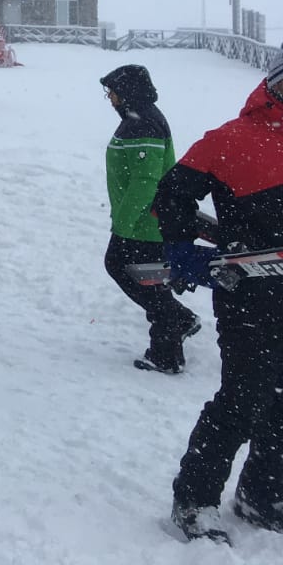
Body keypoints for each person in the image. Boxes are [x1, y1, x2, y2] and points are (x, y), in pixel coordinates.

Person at [154, 50, 283, 543]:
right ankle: (195, 500)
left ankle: (262, 495)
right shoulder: (230, 140)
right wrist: (184, 246)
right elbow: (170, 198)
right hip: (248, 293)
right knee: (244, 398)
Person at [99, 64, 200, 373]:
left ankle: (167, 352)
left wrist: (125, 225)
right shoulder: (139, 119)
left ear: (128, 91)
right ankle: (177, 323)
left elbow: (146, 181)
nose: (111, 99)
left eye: (113, 92)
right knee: (146, 278)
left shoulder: (143, 124)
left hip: (147, 222)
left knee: (132, 273)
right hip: (145, 221)